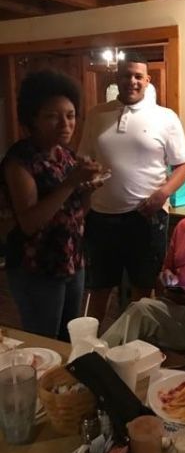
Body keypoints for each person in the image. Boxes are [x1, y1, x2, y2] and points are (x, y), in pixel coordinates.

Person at [78, 52, 185, 321]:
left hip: (147, 218)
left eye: (138, 76)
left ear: (147, 80)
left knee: (144, 289)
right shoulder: (96, 115)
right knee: (98, 288)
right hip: (101, 217)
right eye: (126, 75)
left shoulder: (166, 117)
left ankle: (136, 342)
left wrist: (162, 194)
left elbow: (184, 166)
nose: (132, 81)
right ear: (116, 78)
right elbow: (83, 158)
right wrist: (87, 178)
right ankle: (89, 341)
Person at [0, 69, 103, 340]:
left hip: (71, 260)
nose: (65, 124)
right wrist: (71, 183)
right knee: (44, 341)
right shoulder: (20, 161)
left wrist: (87, 191)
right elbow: (29, 223)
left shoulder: (66, 155)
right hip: (36, 267)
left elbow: (77, 213)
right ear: (32, 119)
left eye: (70, 115)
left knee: (70, 339)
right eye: (52, 117)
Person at [101, 168, 185, 351]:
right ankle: (105, 360)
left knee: (141, 315)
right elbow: (165, 273)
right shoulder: (184, 227)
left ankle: (96, 358)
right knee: (139, 311)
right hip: (177, 308)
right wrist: (166, 278)